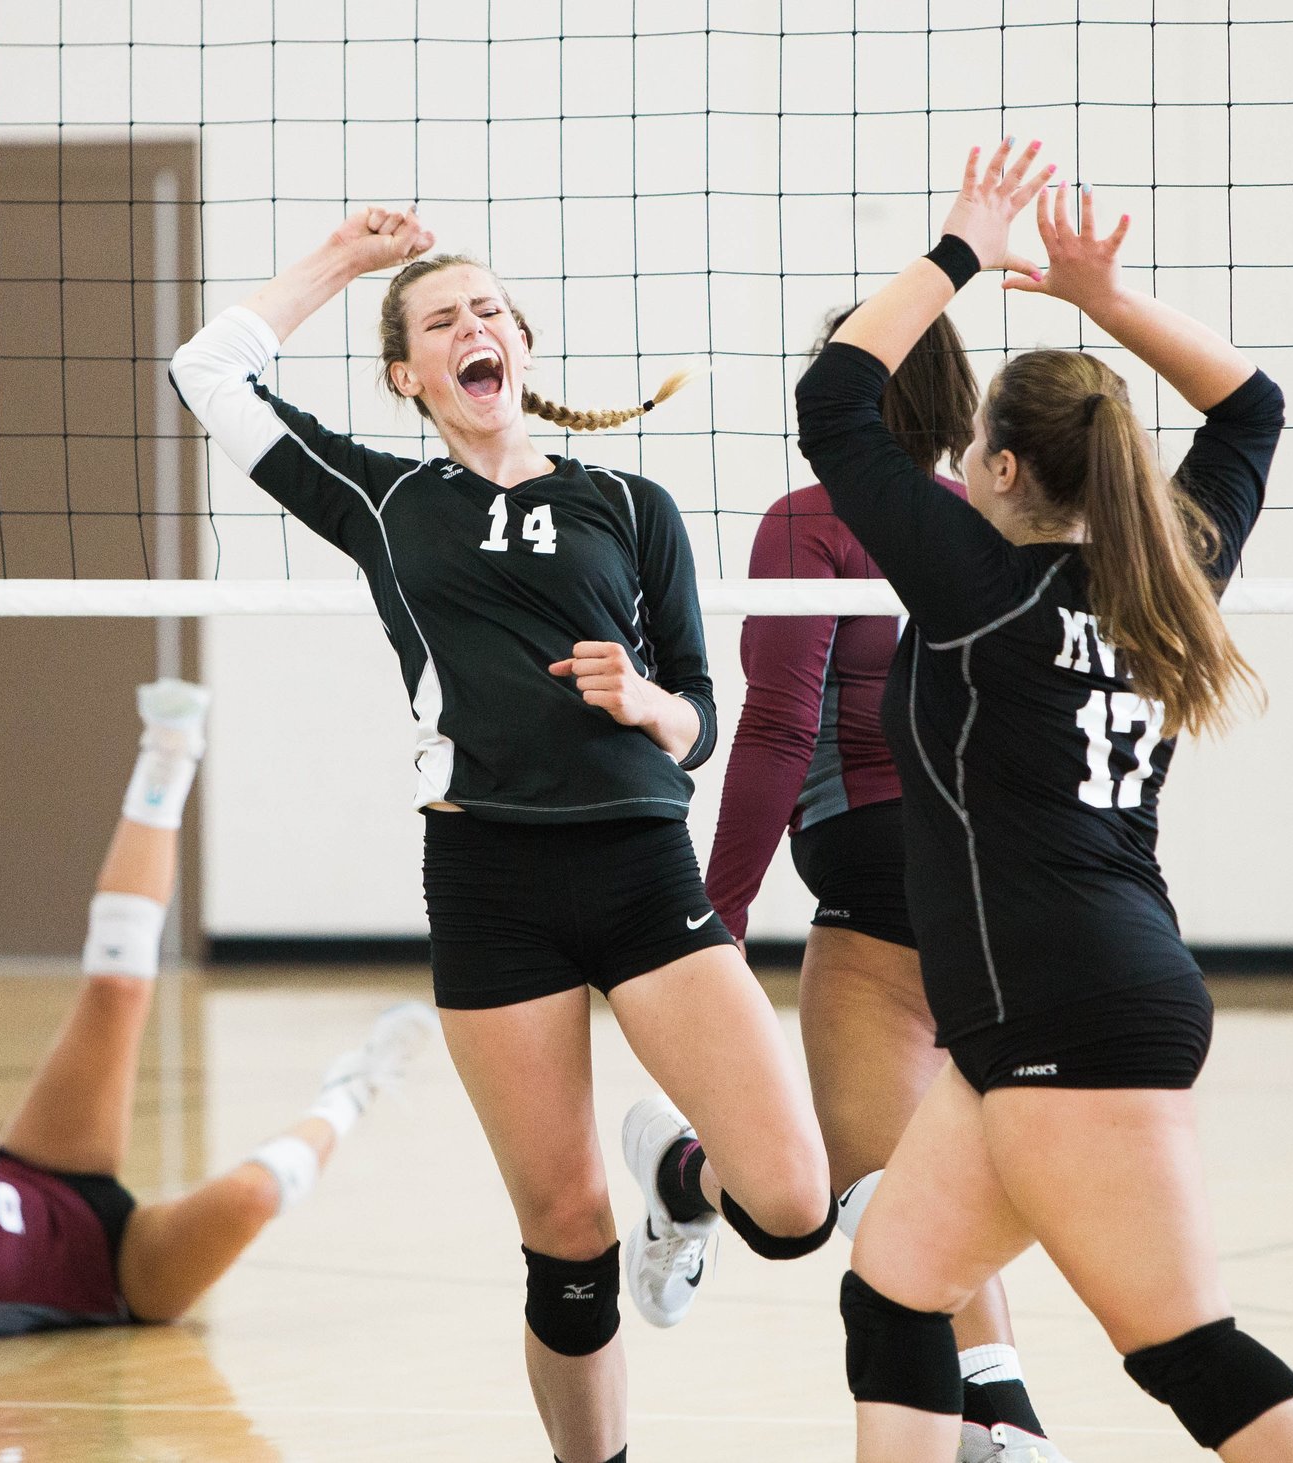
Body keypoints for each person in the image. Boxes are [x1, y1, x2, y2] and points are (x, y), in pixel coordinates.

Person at [170, 209, 834, 1463]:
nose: (471, 328)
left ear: (521, 346)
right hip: (489, 878)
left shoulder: (631, 505)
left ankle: (677, 1180)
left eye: (487, 311)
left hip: (639, 864)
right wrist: (347, 263)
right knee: (565, 1232)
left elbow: (699, 720)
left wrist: (647, 703)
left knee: (794, 1204)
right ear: (407, 375)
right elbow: (206, 370)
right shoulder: (380, 498)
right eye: (438, 321)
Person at [797, 140, 1293, 1463]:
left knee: (1179, 1346)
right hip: (1055, 1000)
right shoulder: (1169, 576)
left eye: (979, 441)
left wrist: (958, 253)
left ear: (988, 469)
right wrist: (1102, 303)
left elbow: (834, 399)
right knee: (893, 1295)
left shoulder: (977, 589)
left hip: (1066, 1006)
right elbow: (1251, 409)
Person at [0, 680, 434, 1366]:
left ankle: (169, 751)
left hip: (49, 1170)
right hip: (125, 1274)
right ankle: (354, 1089)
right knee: (249, 1195)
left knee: (117, 988)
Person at [707, 314, 1069, 1463]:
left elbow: (775, 726)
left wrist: (711, 920)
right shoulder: (998, 525)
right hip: (1008, 881)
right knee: (930, 1170)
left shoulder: (814, 518)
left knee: (866, 1190)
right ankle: (1005, 1412)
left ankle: (681, 1173)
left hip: (875, 875)